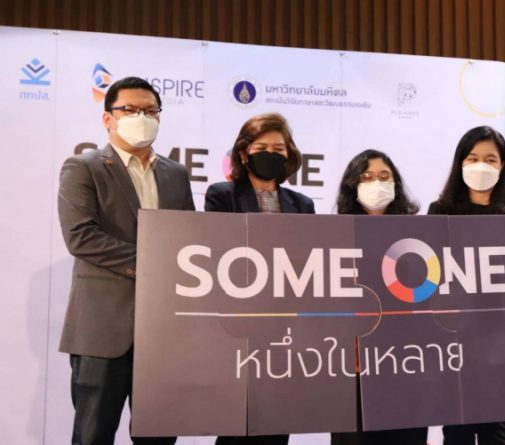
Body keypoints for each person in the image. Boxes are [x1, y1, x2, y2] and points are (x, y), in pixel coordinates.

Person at [58, 76, 195, 445]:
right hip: (102, 330)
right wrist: (154, 264)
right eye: (130, 110)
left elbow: (189, 241)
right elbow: (81, 237)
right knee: (93, 436)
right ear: (108, 118)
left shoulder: (176, 174)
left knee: (159, 437)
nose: (141, 117)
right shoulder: (83, 167)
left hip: (164, 330)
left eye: (150, 110)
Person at [205, 112, 314, 445]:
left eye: (279, 149)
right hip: (239, 326)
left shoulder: (302, 204)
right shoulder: (222, 195)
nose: (271, 154)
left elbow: (310, 262)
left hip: (285, 328)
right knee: (237, 425)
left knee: (277, 421)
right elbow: (217, 253)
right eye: (261, 148)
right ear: (243, 153)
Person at [428, 126, 505, 445]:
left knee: (495, 429)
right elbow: (431, 273)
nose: (481, 165)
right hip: (453, 337)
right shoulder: (439, 211)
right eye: (473, 158)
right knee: (455, 429)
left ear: (502, 165)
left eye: (490, 159)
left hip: (499, 337)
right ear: (460, 163)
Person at [329, 149, 426, 445]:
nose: (377, 184)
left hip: (406, 364)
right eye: (367, 177)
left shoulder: (418, 234)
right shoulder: (333, 235)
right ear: (353, 186)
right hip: (354, 370)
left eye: (384, 177)